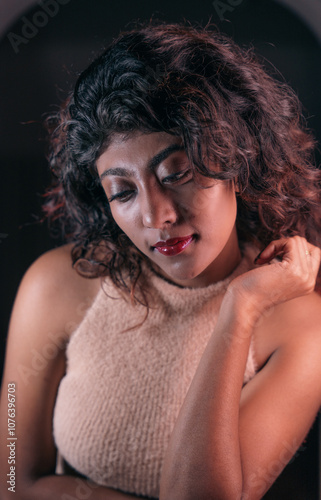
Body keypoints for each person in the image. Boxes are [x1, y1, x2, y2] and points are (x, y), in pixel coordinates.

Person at [1, 20, 321, 500]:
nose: (157, 216)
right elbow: (8, 475)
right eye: (123, 192)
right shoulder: (55, 284)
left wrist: (240, 309)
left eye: (177, 173)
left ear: (238, 160)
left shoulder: (300, 326)